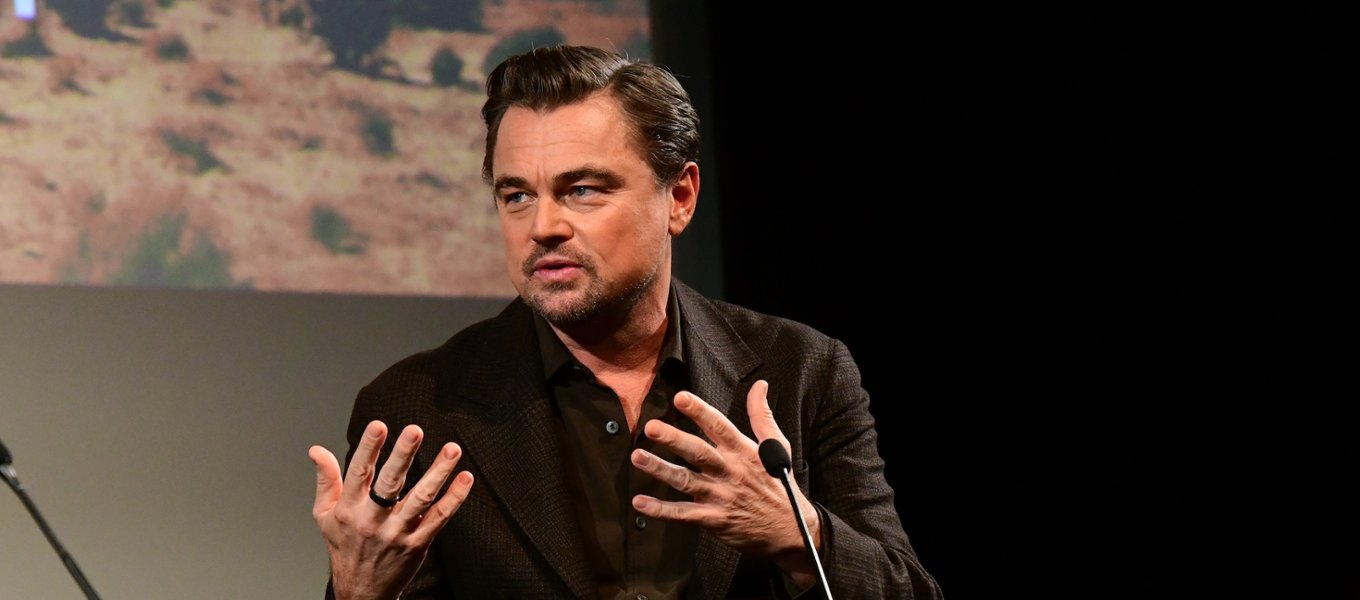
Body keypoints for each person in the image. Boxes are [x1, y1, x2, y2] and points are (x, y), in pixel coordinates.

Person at [307, 44, 942, 600]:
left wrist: (798, 535)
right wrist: (362, 592)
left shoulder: (803, 371)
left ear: (680, 198)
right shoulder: (417, 406)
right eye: (516, 195)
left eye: (582, 189)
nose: (543, 226)